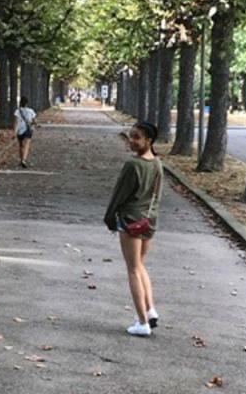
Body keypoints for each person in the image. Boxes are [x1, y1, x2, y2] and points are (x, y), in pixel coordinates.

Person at [104, 121, 164, 337]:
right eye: (131, 136)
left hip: (130, 220)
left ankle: (142, 322)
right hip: (148, 221)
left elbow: (119, 195)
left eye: (137, 136)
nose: (132, 140)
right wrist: (151, 219)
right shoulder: (157, 163)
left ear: (149, 140)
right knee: (140, 265)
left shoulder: (133, 165)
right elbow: (157, 196)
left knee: (132, 269)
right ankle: (150, 310)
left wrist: (110, 217)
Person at [13, 96, 37, 169]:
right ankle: (24, 160)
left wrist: (14, 132)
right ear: (27, 103)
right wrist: (34, 124)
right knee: (27, 145)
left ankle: (21, 160)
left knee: (21, 145)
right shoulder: (31, 111)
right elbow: (34, 121)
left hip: (20, 130)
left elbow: (16, 122)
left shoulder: (17, 111)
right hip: (28, 129)